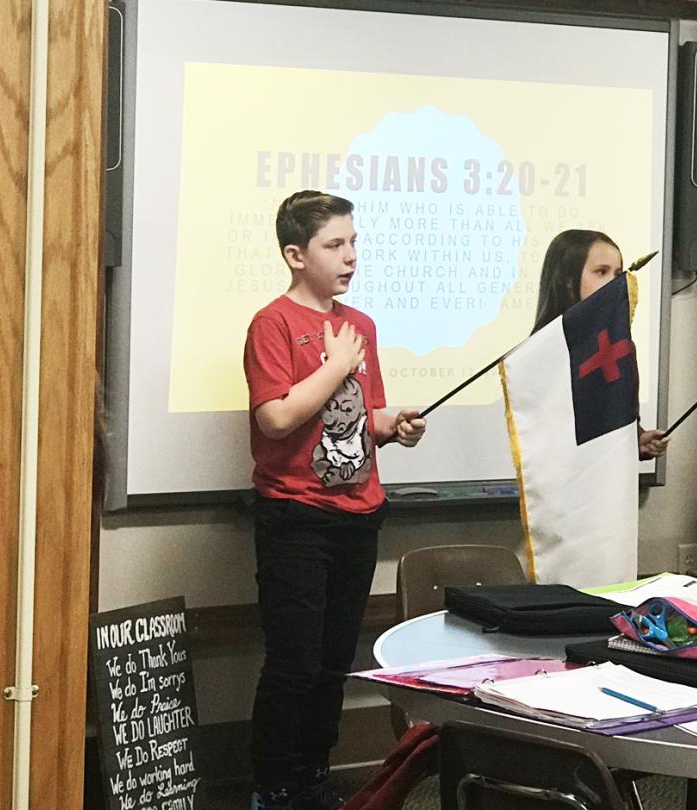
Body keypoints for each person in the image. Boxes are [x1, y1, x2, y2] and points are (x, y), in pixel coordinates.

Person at [243, 190, 426, 810]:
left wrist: (392, 423)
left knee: (330, 665)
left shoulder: (361, 326)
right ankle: (272, 787)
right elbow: (276, 418)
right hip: (296, 518)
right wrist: (335, 364)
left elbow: (354, 421)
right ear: (296, 255)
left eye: (353, 242)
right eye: (334, 245)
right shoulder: (273, 324)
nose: (350, 256)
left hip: (358, 515)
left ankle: (312, 777)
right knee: (293, 666)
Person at [532, 229, 668, 460]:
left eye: (617, 274)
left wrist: (637, 439)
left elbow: (614, 414)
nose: (613, 283)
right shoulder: (542, 352)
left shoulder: (619, 345)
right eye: (601, 272)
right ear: (567, 280)